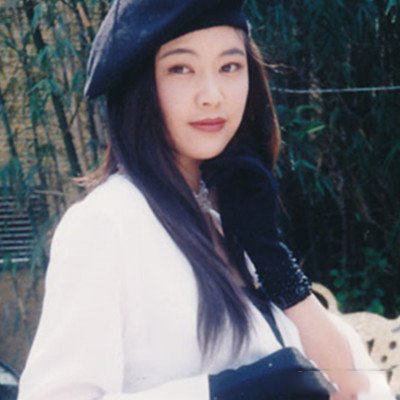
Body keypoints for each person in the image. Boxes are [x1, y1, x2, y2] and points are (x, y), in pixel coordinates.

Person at [17, 1, 394, 399]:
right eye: (181, 69)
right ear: (139, 85)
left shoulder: (229, 217)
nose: (212, 96)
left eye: (229, 67)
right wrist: (218, 393)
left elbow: (355, 385)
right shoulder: (107, 224)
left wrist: (273, 260)